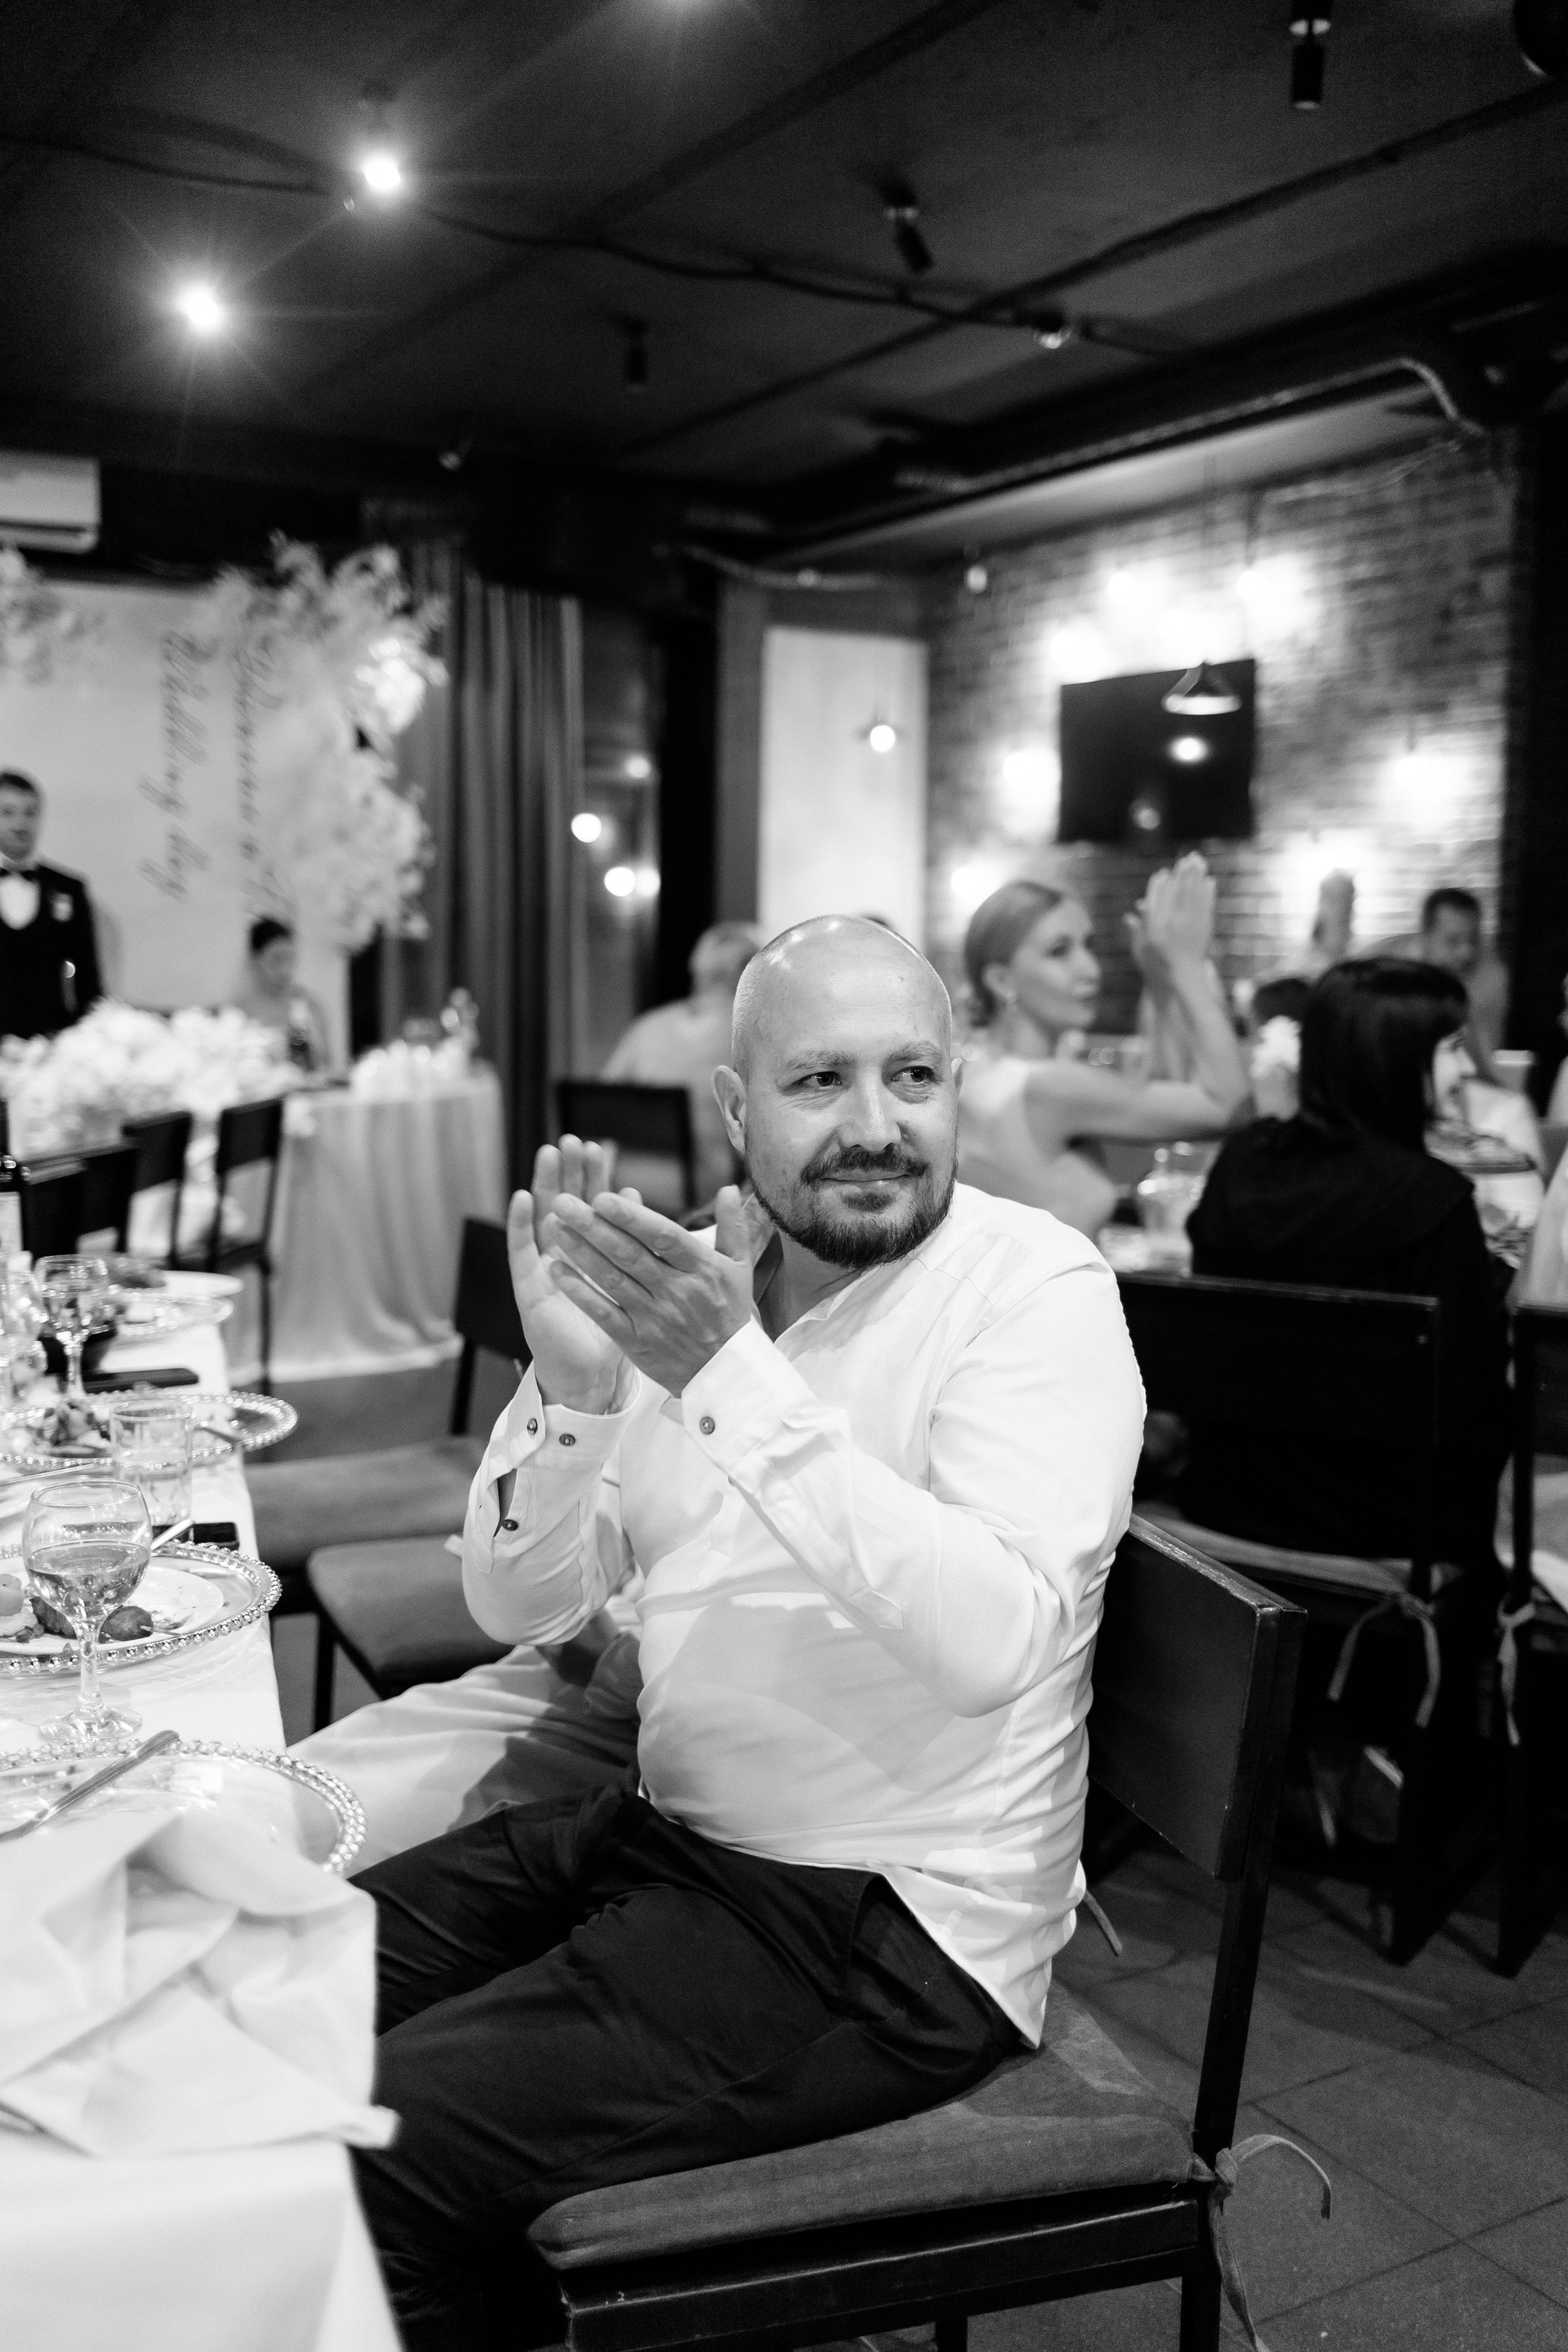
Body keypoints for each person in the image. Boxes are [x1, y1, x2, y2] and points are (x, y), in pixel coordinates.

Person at [350, 915, 1145, 2350]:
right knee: (280, 1982)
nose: (876, 1125)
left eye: (913, 1076)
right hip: (666, 1840)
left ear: (958, 1084)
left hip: (887, 1927)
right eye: (819, 1080)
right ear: (735, 1109)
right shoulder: (716, 1286)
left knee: (372, 2151)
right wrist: (576, 1392)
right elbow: (523, 1605)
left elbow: (997, 1642)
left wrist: (726, 1376)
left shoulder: (1033, 1291)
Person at [1178, 958, 1510, 1569]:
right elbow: (1472, 1406)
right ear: (1393, 1058)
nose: (1466, 1069)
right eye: (1450, 1049)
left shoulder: (1241, 1165)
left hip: (1225, 1499)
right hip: (1381, 1531)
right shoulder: (1431, 1201)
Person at [958, 853, 1250, 1236]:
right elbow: (1228, 1108)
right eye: (1059, 951)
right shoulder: (1047, 1085)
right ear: (1001, 981)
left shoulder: (983, 1069)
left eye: (1088, 946)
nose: (1090, 970)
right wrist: (1187, 965)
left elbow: (1168, 1095)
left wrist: (1160, 980)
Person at [601, 920, 760, 1205]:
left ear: (697, 968)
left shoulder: (647, 1026)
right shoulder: (746, 1033)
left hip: (625, 1179)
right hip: (704, 1187)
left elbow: (602, 1100)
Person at [0, 768, 101, 1039]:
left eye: (30, 813)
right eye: (7, 813)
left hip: (52, 1041)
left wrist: (87, 1039)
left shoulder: (69, 888)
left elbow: (87, 981)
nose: (20, 824)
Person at [1376, 887, 1507, 1067]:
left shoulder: (1491, 976)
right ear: (1425, 936)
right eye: (1453, 941)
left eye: (1473, 940)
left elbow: (1486, 1057)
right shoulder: (1386, 972)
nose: (1466, 953)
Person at [231, 916, 331, 1071]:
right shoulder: (239, 1013)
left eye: (290, 959)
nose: (285, 970)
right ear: (254, 961)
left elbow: (327, 1065)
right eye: (276, 960)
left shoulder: (309, 1005)